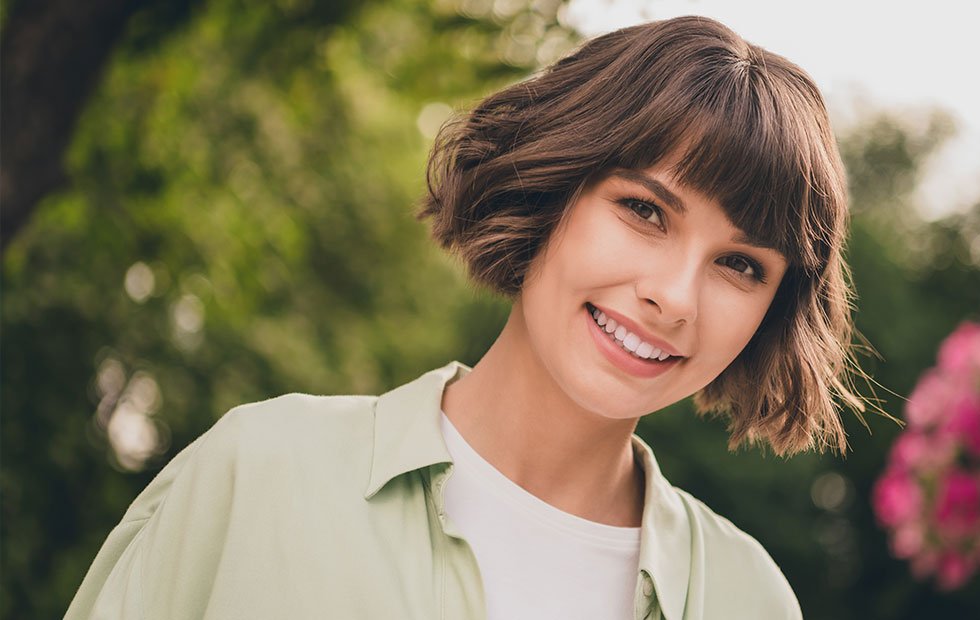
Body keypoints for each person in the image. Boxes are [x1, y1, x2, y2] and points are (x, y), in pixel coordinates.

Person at [65, 14, 867, 620]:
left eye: (740, 265)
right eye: (644, 210)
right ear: (552, 185)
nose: (677, 297)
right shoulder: (257, 474)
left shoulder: (749, 598)